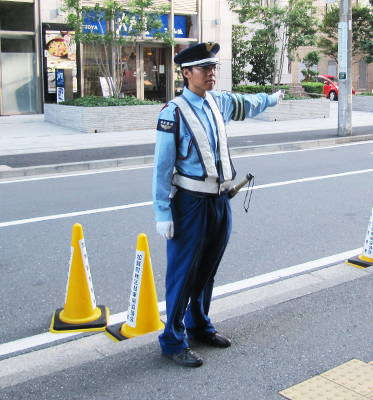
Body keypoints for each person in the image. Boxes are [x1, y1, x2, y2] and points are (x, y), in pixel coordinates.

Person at [152, 42, 283, 368]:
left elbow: (248, 103)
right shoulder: (173, 113)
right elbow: (162, 168)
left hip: (220, 200)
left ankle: (198, 324)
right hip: (190, 203)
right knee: (183, 273)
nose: (212, 73)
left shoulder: (218, 102)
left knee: (207, 269)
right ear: (186, 73)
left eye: (214, 68)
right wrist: (161, 211)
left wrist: (272, 98)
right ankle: (172, 339)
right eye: (204, 69)